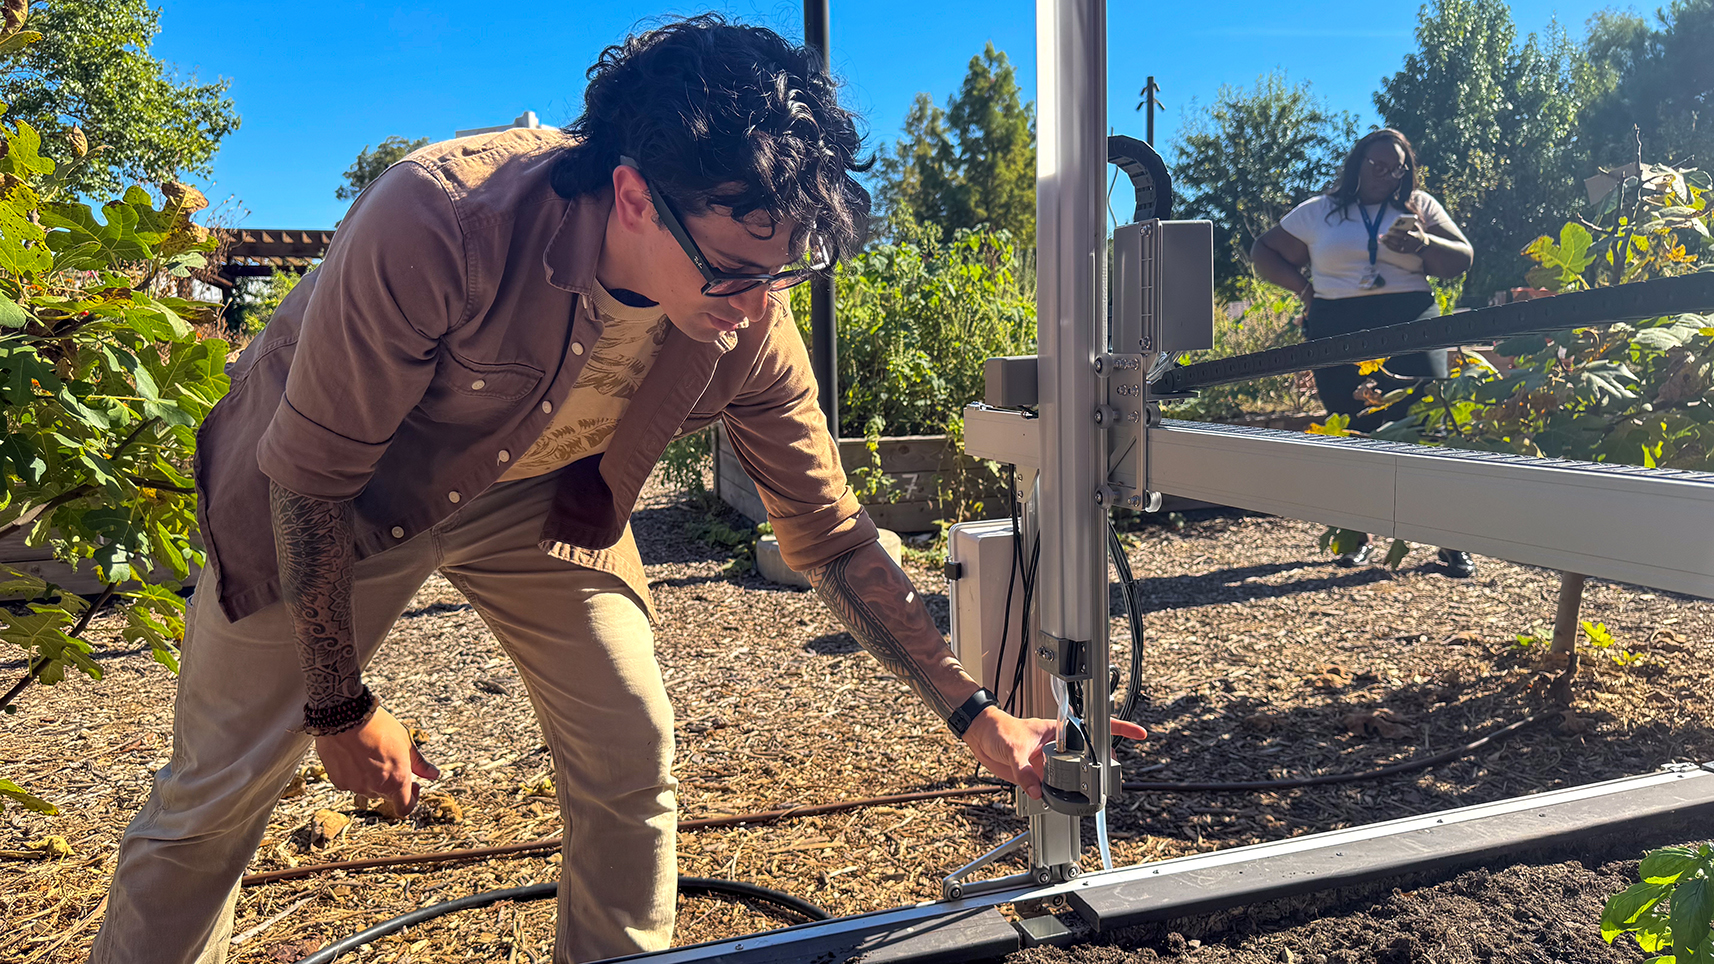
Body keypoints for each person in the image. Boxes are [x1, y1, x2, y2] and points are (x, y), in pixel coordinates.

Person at [89, 16, 1145, 964]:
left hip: (543, 499)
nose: (754, 305)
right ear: (634, 193)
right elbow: (313, 474)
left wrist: (972, 714)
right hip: (338, 494)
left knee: (631, 748)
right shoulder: (437, 221)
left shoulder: (749, 322)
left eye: (783, 275)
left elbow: (827, 534)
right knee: (216, 796)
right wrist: (337, 704)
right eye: (734, 269)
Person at [1250, 128, 1478, 577]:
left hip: (1411, 321)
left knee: (1428, 426)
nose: (1388, 175)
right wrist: (1304, 291)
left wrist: (1424, 243)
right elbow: (1264, 251)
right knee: (1351, 429)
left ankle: (1452, 540)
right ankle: (1357, 536)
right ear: (1357, 165)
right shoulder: (1321, 212)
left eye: (1397, 168)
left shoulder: (1420, 207)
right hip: (1338, 325)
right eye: (1378, 165)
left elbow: (1463, 257)